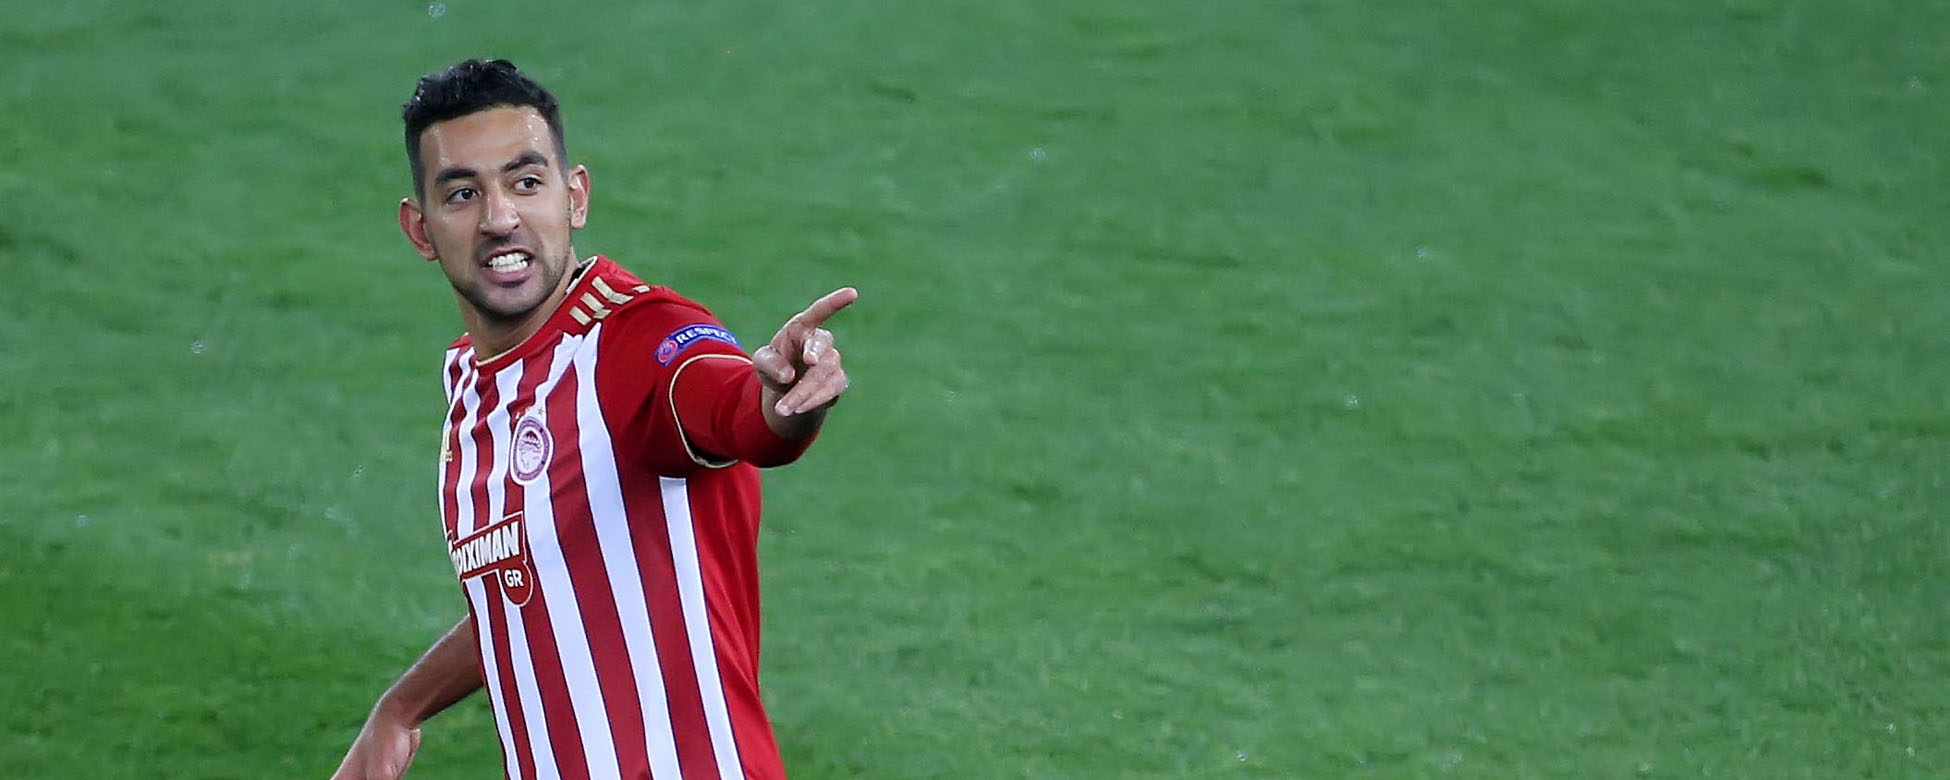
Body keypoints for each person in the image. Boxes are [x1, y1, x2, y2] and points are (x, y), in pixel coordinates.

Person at [330, 58, 855, 780]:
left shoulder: (632, 340)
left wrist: (786, 403)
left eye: (526, 182)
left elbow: (737, 412)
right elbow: (533, 586)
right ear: (420, 230)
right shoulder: (474, 383)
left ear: (574, 197)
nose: (499, 219)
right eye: (463, 193)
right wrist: (401, 707)